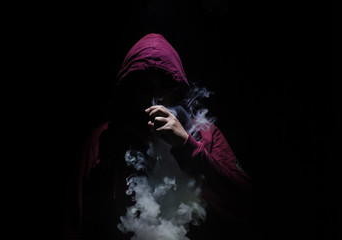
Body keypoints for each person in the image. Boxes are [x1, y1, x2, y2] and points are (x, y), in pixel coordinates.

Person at [59, 33, 252, 240]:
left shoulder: (204, 134)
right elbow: (71, 222)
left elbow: (245, 206)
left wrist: (186, 145)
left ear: (177, 89)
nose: (155, 97)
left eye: (165, 86)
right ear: (130, 90)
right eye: (145, 87)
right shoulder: (104, 139)